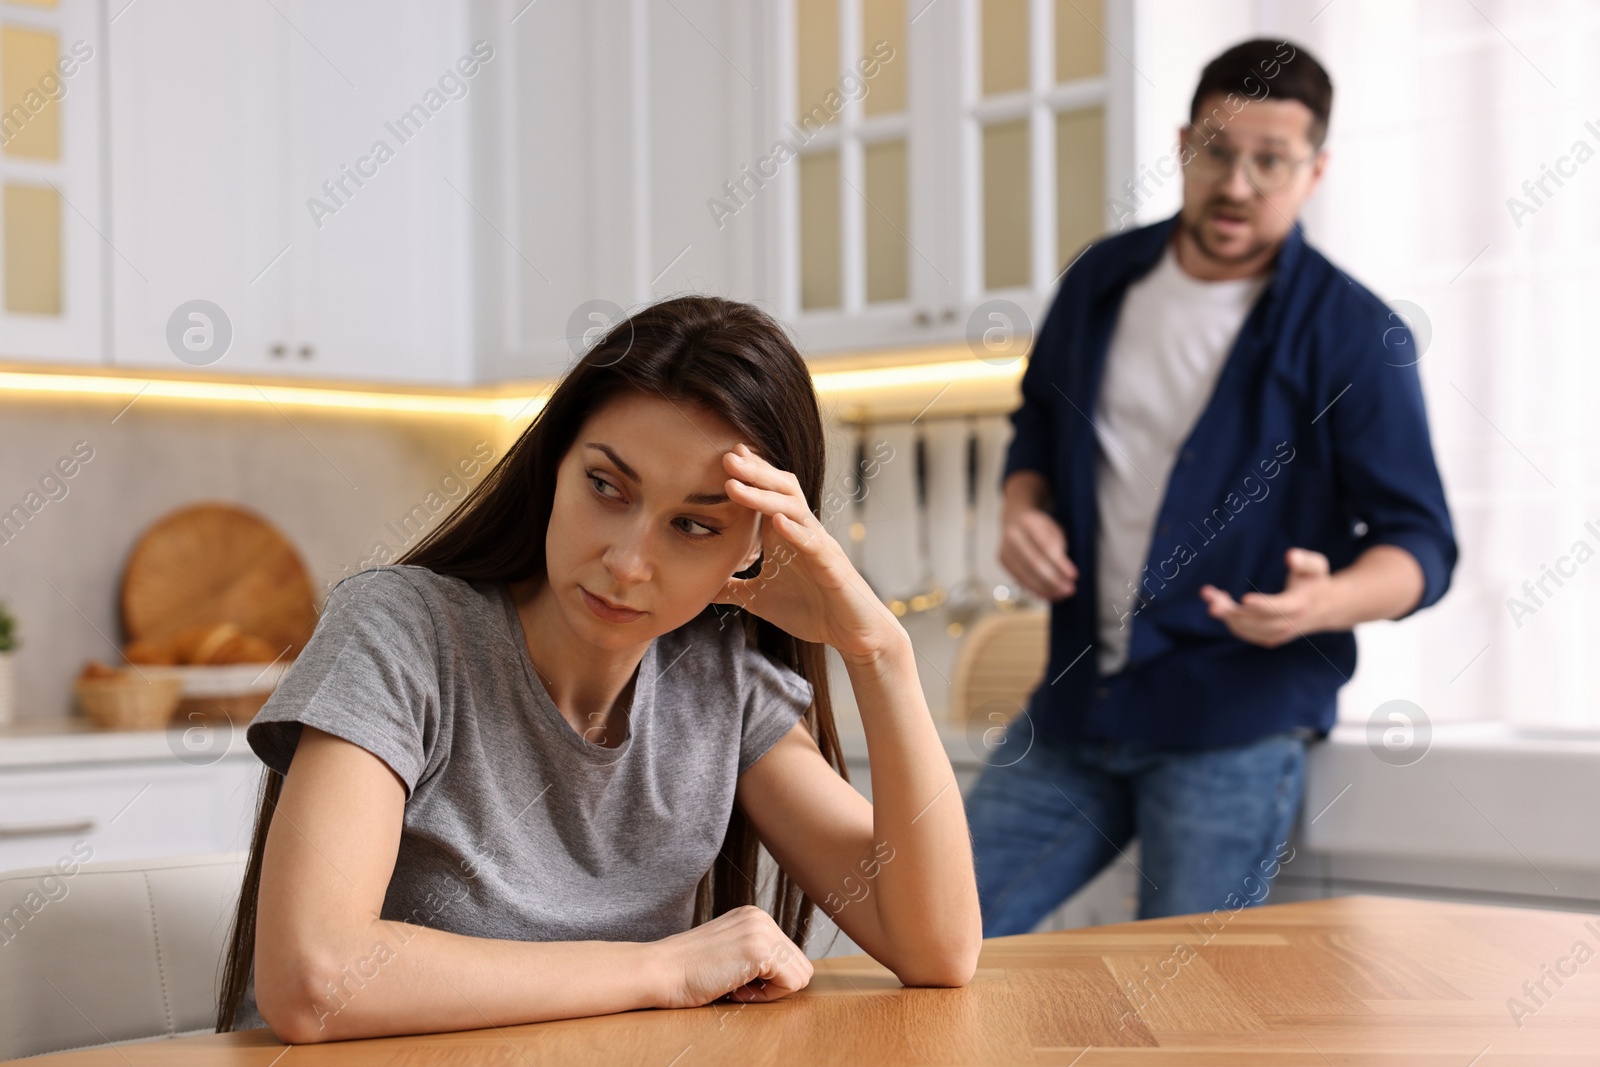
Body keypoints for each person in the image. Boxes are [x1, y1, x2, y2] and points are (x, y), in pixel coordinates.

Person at [215, 296, 981, 1042]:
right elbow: (314, 979)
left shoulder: (722, 683)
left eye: (693, 524)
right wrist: (661, 970)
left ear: (753, 545)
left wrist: (879, 652)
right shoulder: (401, 631)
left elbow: (937, 948)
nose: (627, 561)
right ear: (556, 464)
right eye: (607, 486)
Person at [966, 39, 1457, 932]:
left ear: (1315, 171)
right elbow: (1036, 421)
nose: (1237, 184)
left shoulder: (1355, 335)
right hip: (1076, 706)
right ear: (1184, 142)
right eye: (1218, 153)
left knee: (1183, 1005)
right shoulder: (1101, 281)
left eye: (1271, 162)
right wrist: (1020, 505)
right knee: (922, 937)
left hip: (1234, 722)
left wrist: (1325, 602)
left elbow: (1422, 545)